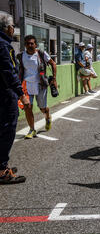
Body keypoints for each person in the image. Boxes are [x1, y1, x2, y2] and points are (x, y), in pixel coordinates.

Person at [0, 11, 29, 183]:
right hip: (4, 95)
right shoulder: (4, 46)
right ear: (7, 28)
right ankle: (2, 170)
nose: (13, 29)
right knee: (7, 129)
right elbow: (9, 73)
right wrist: (21, 94)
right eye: (12, 26)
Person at [17, 35, 57, 139]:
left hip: (40, 85)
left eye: (32, 43)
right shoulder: (21, 56)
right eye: (27, 43)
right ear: (25, 45)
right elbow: (19, 70)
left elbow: (53, 63)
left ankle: (47, 116)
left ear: (35, 44)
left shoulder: (41, 54)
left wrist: (54, 79)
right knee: (27, 107)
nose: (30, 45)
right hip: (26, 85)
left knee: (42, 108)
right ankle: (32, 130)